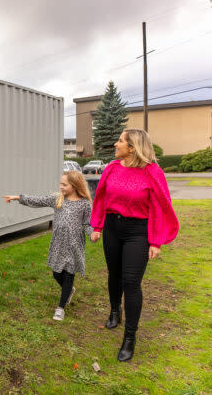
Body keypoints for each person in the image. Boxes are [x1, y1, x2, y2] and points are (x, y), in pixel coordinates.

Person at [90, 128, 178, 362]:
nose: (115, 144)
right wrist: (97, 226)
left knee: (131, 282)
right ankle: (115, 311)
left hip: (137, 232)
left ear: (133, 147)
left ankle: (130, 337)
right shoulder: (111, 168)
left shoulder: (152, 171)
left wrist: (156, 240)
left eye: (120, 141)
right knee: (114, 275)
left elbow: (161, 205)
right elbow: (100, 197)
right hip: (112, 228)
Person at [4, 170, 93, 321]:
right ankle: (69, 290)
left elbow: (87, 224)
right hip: (59, 243)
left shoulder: (84, 204)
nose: (61, 187)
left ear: (75, 185)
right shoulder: (57, 199)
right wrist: (18, 198)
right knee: (57, 273)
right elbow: (38, 201)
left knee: (69, 274)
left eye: (64, 184)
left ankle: (60, 308)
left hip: (74, 245)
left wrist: (92, 234)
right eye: (60, 184)